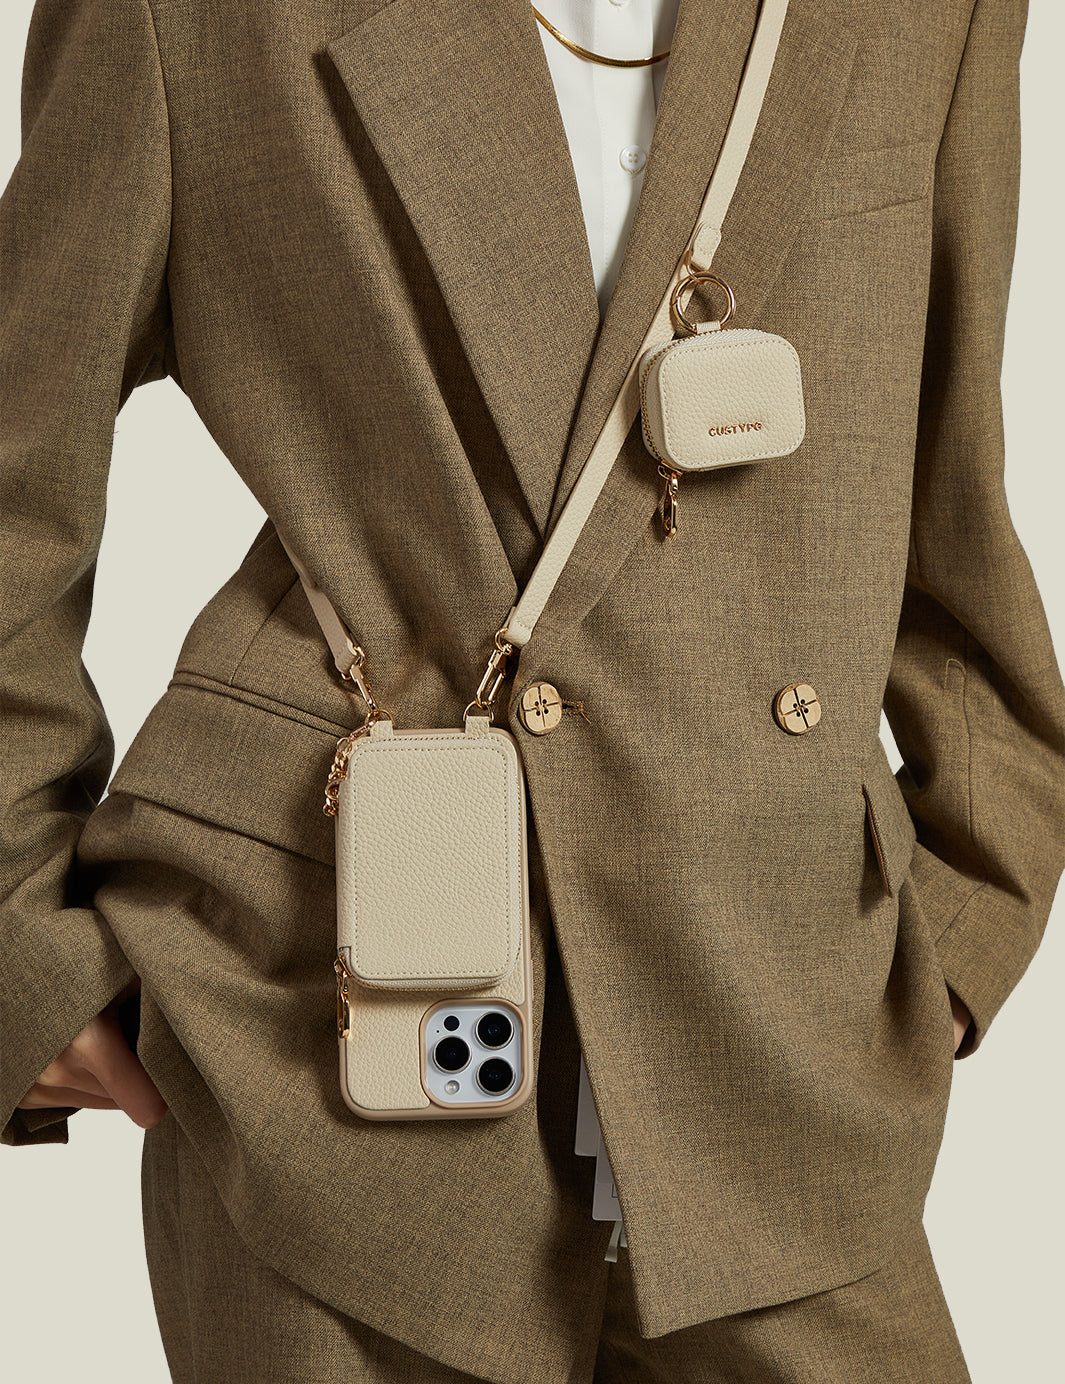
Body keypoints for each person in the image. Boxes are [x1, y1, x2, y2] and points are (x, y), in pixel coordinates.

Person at [2, 0, 1062, 1381]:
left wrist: (969, 921)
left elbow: (950, 478)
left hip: (782, 1022)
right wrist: (21, 948)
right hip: (322, 1027)